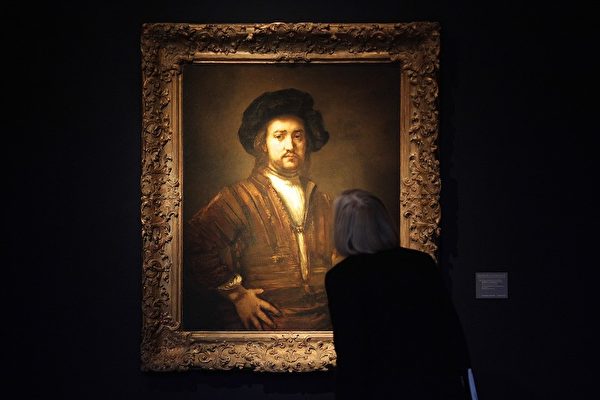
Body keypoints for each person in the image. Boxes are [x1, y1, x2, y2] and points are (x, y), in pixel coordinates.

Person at [185, 88, 334, 331]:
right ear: (263, 144)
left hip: (321, 327)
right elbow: (192, 243)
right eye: (279, 136)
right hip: (264, 327)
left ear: (307, 141)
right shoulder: (239, 197)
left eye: (297, 136)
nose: (290, 145)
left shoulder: (322, 200)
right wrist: (238, 296)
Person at [325, 189, 473, 399]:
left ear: (343, 228)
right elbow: (449, 329)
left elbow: (351, 351)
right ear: (383, 222)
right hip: (432, 383)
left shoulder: (342, 277)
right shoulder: (420, 263)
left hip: (379, 387)